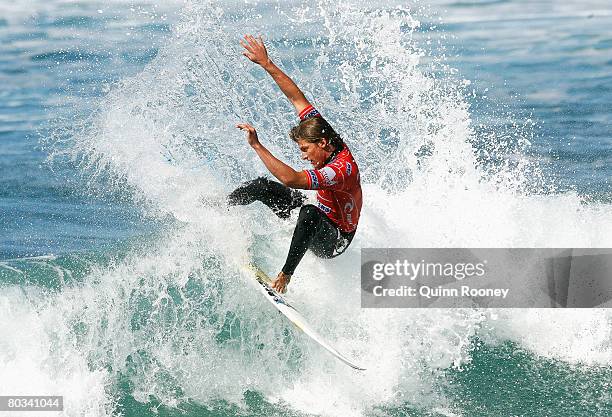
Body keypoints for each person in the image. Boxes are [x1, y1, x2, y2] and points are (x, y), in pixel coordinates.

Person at [230, 34, 362, 294]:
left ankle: (284, 277)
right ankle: (218, 209)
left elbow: (291, 179)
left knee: (309, 213)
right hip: (320, 217)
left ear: (322, 144)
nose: (304, 155)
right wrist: (267, 64)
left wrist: (257, 145)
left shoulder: (339, 170)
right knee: (260, 186)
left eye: (305, 149)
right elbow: (296, 98)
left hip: (335, 239)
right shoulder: (320, 130)